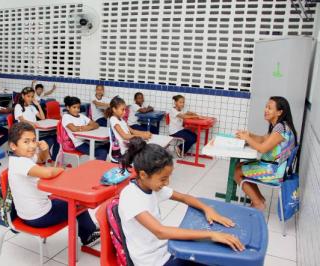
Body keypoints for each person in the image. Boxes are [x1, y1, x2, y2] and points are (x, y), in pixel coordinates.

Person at [118, 137, 244, 266]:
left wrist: (208, 209)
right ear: (144, 175)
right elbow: (160, 231)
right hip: (153, 261)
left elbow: (184, 198)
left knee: (215, 256)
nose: (167, 183)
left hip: (168, 249)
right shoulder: (130, 196)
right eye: (163, 179)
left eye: (168, 178)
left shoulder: (151, 187)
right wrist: (212, 234)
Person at [8, 122, 100, 246]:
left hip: (31, 212)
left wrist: (44, 150)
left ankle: (89, 229)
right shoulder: (20, 163)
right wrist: (63, 170)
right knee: (76, 203)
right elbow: (48, 173)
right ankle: (88, 236)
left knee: (67, 200)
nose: (32, 145)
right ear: (13, 146)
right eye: (26, 142)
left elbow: (41, 159)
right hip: (38, 217)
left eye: (34, 140)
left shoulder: (22, 158)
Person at [234, 96, 297, 210]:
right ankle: (259, 199)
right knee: (240, 166)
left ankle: (258, 204)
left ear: (279, 112)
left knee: (237, 172)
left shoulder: (280, 128)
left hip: (274, 171)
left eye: (270, 108)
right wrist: (249, 135)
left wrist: (247, 139)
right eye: (266, 107)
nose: (266, 110)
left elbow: (262, 149)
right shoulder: (279, 125)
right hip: (275, 167)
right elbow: (263, 139)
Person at [14, 87, 59, 160]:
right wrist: (32, 123)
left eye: (32, 96)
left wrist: (38, 105)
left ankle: (53, 159)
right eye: (28, 96)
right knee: (49, 140)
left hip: (36, 130)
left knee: (56, 138)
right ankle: (39, 157)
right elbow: (22, 120)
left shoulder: (32, 107)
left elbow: (43, 118)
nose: (30, 98)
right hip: (26, 132)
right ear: (23, 96)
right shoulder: (18, 106)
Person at [62, 96, 108, 161]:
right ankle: (97, 170)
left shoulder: (81, 116)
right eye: (74, 107)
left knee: (108, 146)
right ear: (68, 107)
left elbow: (96, 125)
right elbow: (74, 129)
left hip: (88, 140)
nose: (77, 110)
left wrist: (87, 127)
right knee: (102, 152)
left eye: (78, 107)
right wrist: (89, 127)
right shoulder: (66, 117)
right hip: (79, 144)